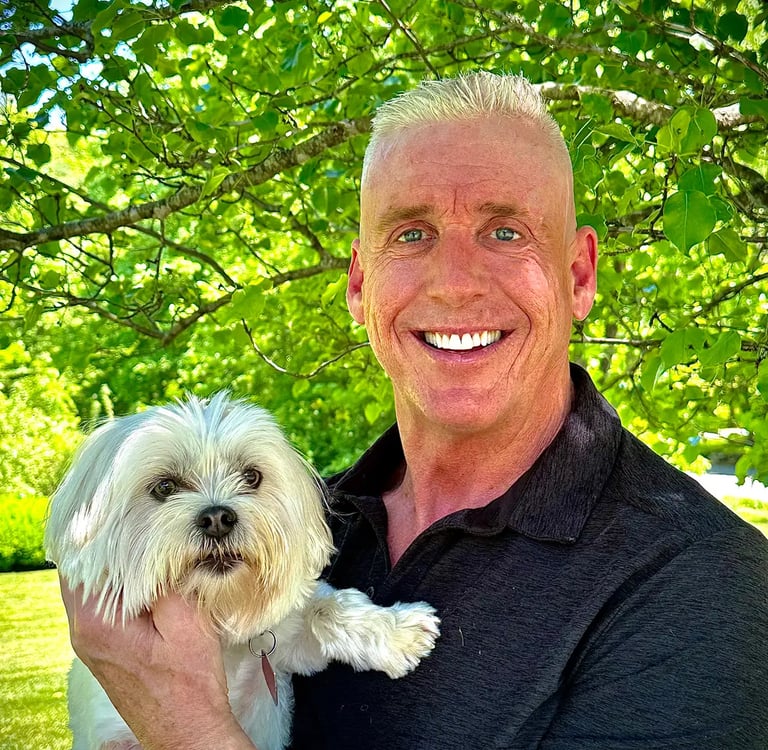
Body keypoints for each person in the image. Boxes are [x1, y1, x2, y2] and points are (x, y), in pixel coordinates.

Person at [61, 72, 768, 749]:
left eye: (505, 232)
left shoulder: (705, 587)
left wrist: (187, 732)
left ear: (578, 276)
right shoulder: (309, 520)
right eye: (411, 233)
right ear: (361, 286)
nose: (455, 284)